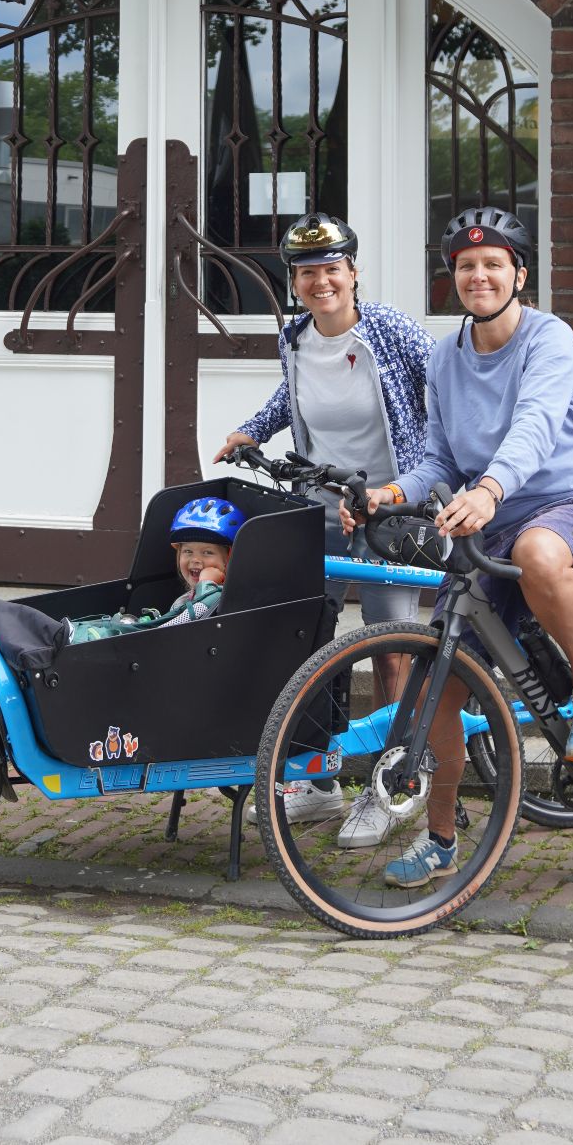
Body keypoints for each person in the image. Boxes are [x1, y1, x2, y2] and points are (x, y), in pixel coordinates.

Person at [355, 205, 573, 888]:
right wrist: (389, 494)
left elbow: (536, 425)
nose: (478, 275)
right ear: (453, 277)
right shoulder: (447, 358)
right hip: (495, 522)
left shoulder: (550, 339)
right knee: (437, 686)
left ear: (519, 274)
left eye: (492, 264)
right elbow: (439, 461)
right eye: (465, 266)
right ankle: (442, 839)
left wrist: (489, 490)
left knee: (541, 551)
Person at [213, 211, 434, 848]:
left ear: (353, 273)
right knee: (310, 633)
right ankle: (319, 775)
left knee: (391, 640)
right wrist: (251, 430)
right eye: (308, 272)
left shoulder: (387, 330)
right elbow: (290, 398)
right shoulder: (294, 335)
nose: (321, 282)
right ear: (295, 280)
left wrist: (429, 481)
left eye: (332, 269)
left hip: (393, 508)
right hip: (320, 505)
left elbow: (438, 392)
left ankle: (394, 782)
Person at [0, 498, 246, 671]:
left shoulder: (215, 595)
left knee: (64, 636)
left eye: (207, 553)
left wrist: (208, 584)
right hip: (143, 647)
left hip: (147, 654)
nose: (195, 560)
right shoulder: (192, 596)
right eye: (188, 552)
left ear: (229, 558)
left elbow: (174, 628)